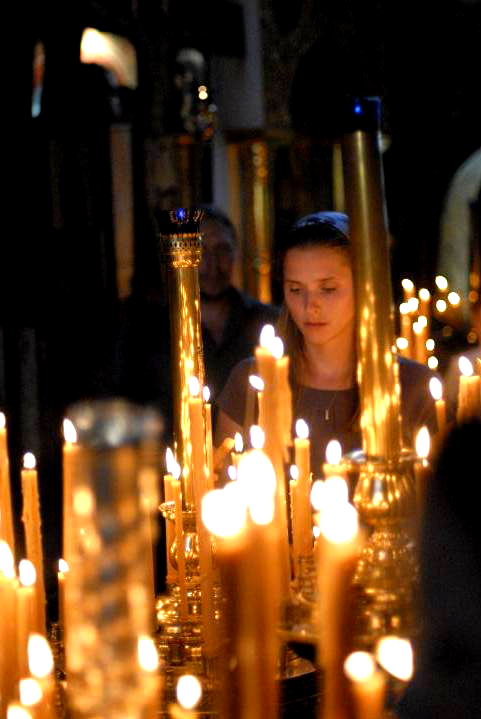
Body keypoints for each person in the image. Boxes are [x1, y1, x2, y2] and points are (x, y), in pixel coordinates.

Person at [215, 211, 438, 472]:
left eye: (328, 289)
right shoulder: (252, 381)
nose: (310, 305)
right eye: (296, 289)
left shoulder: (414, 387)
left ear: (364, 287)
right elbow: (223, 484)